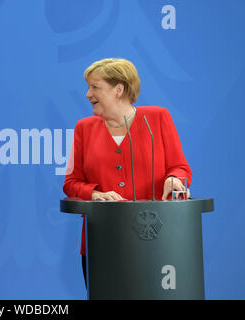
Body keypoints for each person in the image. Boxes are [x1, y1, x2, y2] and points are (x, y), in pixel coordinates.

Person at [63, 58, 191, 285]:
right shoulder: (83, 128)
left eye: (95, 87)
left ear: (118, 90)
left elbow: (179, 167)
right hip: (102, 239)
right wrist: (95, 194)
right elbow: (71, 182)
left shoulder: (158, 118)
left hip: (156, 238)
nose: (87, 94)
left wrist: (174, 179)